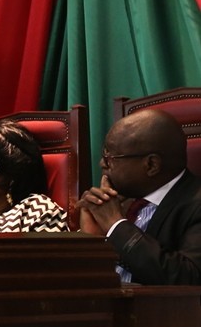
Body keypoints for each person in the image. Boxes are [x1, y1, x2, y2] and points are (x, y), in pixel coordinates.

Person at [77, 109, 201, 285]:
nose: (102, 164)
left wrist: (116, 226)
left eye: (110, 158)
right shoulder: (120, 201)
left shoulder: (195, 204)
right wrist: (94, 241)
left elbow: (187, 277)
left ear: (151, 165)